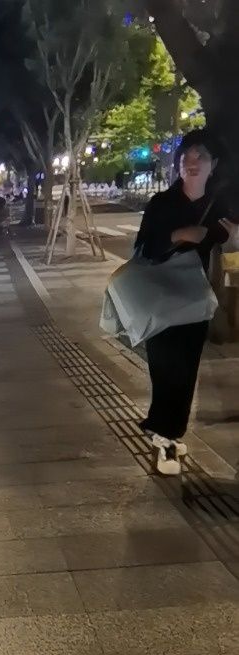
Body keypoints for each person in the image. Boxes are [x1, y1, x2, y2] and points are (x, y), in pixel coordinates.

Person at [134, 129, 239, 475]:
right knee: (166, 370)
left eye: (201, 156)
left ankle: (168, 431)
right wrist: (179, 235)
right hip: (161, 298)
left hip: (196, 301)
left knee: (186, 370)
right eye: (187, 156)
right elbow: (143, 249)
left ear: (214, 164)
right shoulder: (161, 204)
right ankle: (164, 437)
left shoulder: (221, 208)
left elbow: (231, 252)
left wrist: (235, 240)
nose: (192, 162)